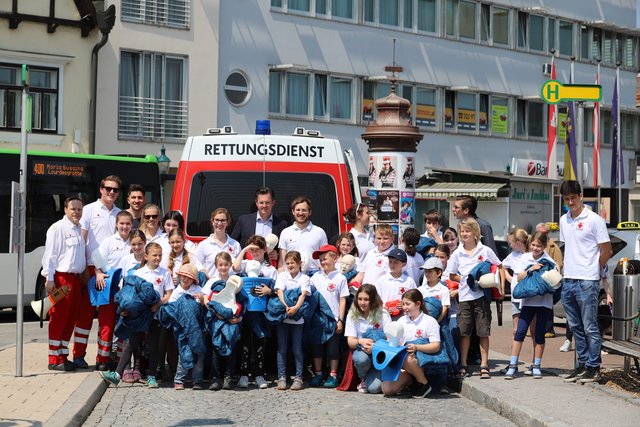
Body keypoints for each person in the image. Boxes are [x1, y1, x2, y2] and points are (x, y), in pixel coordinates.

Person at [559, 180, 612, 383]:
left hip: (587, 280)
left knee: (590, 325)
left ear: (581, 196)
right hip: (569, 279)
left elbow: (606, 250)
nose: (571, 202)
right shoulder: (564, 220)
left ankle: (594, 366)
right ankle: (581, 365)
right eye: (567, 199)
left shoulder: (594, 220)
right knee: (575, 325)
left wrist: (594, 268)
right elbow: (569, 247)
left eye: (573, 198)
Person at [74, 175, 122, 370]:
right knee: (84, 317)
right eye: (108, 188)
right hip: (91, 269)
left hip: (110, 273)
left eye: (115, 189)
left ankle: (102, 359)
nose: (111, 192)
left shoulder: (120, 214)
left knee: (107, 318)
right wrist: (85, 269)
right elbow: (81, 241)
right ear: (101, 189)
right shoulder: (89, 210)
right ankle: (78, 355)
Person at [448, 218, 504, 379]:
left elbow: (499, 265)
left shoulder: (484, 250)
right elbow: (452, 274)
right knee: (464, 332)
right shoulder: (458, 253)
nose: (464, 234)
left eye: (467, 231)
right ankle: (463, 364)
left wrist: (498, 287)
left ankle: (484, 365)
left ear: (475, 233)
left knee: (483, 332)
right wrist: (465, 279)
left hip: (481, 296)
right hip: (465, 297)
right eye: (462, 231)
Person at [504, 232, 558, 380]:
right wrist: (531, 269)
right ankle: (513, 365)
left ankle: (536, 365)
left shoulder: (549, 261)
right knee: (520, 332)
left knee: (539, 334)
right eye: (533, 245)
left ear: (544, 246)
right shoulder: (524, 258)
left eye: (539, 246)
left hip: (544, 303)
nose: (535, 248)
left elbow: (555, 281)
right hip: (527, 302)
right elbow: (518, 277)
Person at [41, 196, 86, 371]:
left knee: (71, 318)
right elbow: (50, 256)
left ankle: (62, 355)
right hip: (61, 278)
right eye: (73, 209)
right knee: (59, 318)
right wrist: (50, 279)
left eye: (79, 209)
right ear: (65, 209)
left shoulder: (78, 228)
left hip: (73, 279)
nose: (76, 212)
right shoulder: (58, 228)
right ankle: (54, 358)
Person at [233, 235, 277, 390]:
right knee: (244, 342)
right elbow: (235, 268)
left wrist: (269, 291)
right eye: (253, 250)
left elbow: (277, 290)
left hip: (261, 313)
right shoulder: (246, 264)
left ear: (264, 250)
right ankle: (244, 374)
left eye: (258, 250)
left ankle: (259, 374)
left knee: (260, 342)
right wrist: (245, 249)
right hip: (246, 312)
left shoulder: (270, 269)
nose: (255, 253)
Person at [92, 210, 134, 370]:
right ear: (116, 224)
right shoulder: (109, 242)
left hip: (127, 290)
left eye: (128, 224)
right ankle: (102, 358)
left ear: (132, 225)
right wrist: (98, 274)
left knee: (124, 324)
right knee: (107, 323)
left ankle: (119, 360)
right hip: (109, 288)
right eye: (122, 223)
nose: (124, 226)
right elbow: (97, 260)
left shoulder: (134, 242)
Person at [381, 289, 440, 398]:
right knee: (387, 389)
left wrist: (417, 347)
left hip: (421, 361)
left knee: (407, 357)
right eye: (403, 304)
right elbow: (393, 342)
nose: (404, 307)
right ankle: (411, 382)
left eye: (408, 304)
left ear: (418, 304)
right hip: (404, 363)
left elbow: (436, 346)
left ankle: (424, 384)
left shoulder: (430, 321)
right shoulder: (401, 321)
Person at [133, 242, 174, 388]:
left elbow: (169, 294)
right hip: (140, 315)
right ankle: (123, 372)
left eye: (160, 255)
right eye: (154, 255)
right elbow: (134, 293)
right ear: (146, 256)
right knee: (133, 342)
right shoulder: (139, 273)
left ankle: (151, 376)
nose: (157, 258)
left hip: (156, 314)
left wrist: (158, 304)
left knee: (154, 344)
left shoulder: (165, 273)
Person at [309, 245, 348, 388]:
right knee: (317, 347)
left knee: (333, 349)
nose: (323, 262)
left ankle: (332, 375)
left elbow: (342, 299)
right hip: (317, 318)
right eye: (320, 260)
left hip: (333, 319)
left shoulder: (340, 278)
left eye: (325, 259)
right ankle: (318, 373)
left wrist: (340, 320)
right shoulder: (315, 277)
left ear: (335, 258)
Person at [274, 251, 311, 391]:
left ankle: (299, 377)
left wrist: (295, 308)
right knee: (282, 348)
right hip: (283, 316)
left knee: (297, 348)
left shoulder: (305, 278)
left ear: (299, 263)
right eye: (288, 263)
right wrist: (286, 306)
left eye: (292, 263)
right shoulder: (282, 276)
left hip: (297, 317)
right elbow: (279, 292)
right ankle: (282, 377)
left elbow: (303, 294)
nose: (290, 265)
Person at [345, 284, 390, 394]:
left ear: (373, 300)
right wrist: (360, 341)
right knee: (361, 359)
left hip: (381, 353)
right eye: (360, 299)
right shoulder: (352, 314)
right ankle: (363, 378)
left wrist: (376, 348)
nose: (362, 302)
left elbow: (390, 340)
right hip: (362, 351)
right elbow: (350, 342)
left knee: (374, 389)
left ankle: (382, 372)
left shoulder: (383, 314)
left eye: (366, 299)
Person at [169, 264, 207, 390]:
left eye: (188, 278)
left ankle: (198, 380)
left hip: (197, 327)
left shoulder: (198, 289)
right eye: (183, 277)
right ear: (179, 277)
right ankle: (179, 379)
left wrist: (201, 300)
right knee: (184, 354)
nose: (185, 280)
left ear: (193, 279)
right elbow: (172, 309)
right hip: (183, 329)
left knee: (199, 354)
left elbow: (205, 306)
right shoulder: (176, 292)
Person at [279, 197, 328, 275]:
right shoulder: (285, 232)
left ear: (310, 212)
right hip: (292, 275)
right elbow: (282, 262)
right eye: (298, 210)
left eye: (304, 210)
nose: (301, 213)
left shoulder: (319, 232)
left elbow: (325, 258)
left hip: (314, 275)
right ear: (293, 211)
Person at [196, 208, 241, 278]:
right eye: (217, 220)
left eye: (223, 220)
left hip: (230, 286)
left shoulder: (235, 244)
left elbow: (239, 269)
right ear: (212, 221)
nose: (219, 223)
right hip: (210, 286)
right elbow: (197, 265)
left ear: (227, 222)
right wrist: (208, 278)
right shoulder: (204, 245)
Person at [375, 249, 417, 319]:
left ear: (403, 264)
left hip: (403, 318)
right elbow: (376, 299)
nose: (392, 265)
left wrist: (405, 304)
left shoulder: (409, 281)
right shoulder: (382, 280)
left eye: (396, 262)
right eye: (390, 262)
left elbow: (414, 300)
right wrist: (383, 309)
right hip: (384, 317)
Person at [502, 228, 529, 337]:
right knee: (516, 329)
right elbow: (502, 266)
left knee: (532, 329)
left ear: (517, 243)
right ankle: (514, 353)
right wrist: (510, 279)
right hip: (516, 295)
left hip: (530, 295)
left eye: (510, 243)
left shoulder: (532, 253)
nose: (510, 245)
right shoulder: (513, 255)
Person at [417, 257, 450, 322]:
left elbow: (444, 309)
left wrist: (436, 322)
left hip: (440, 322)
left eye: (430, 271)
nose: (427, 274)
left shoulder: (444, 289)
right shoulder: (420, 289)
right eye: (426, 271)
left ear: (439, 273)